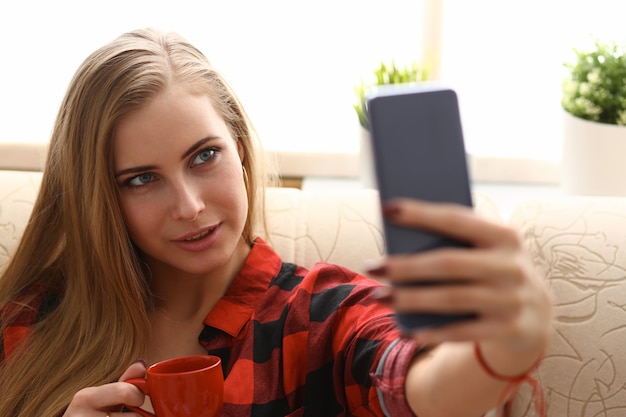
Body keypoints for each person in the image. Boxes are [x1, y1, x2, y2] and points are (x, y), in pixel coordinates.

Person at [0, 28, 552, 417]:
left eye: (203, 156)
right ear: (101, 197)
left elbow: (414, 385)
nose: (189, 205)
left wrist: (498, 351)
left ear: (239, 151)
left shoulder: (321, 314)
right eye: (142, 179)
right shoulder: (31, 324)